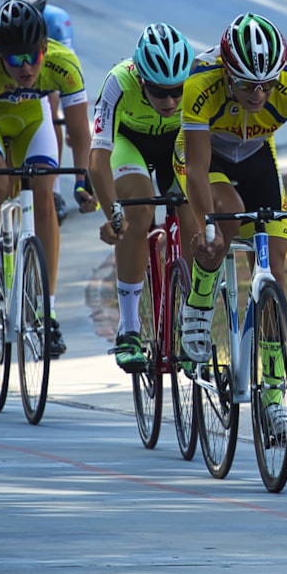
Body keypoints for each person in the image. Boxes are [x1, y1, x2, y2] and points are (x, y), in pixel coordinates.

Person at [176, 12, 287, 434]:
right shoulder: (201, 84)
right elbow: (196, 169)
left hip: (256, 159)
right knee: (227, 216)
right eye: (248, 84)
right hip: (205, 157)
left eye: (266, 84)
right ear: (227, 73)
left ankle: (272, 391)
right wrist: (205, 228)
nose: (258, 93)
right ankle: (198, 305)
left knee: (275, 268)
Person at [0, 0, 96, 356]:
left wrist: (83, 180)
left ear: (45, 49)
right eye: (15, 60)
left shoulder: (64, 64)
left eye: (33, 57)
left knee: (45, 194)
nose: (26, 67)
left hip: (33, 121)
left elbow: (80, 132)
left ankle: (47, 313)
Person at [88, 22, 195, 372]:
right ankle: (130, 329)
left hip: (174, 144)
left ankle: (192, 317)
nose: (171, 100)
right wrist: (112, 215)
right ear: (142, 79)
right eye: (160, 92)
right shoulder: (119, 82)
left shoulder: (197, 79)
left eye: (177, 91)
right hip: (127, 144)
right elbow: (98, 157)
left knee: (193, 210)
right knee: (140, 206)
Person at [0, 0, 78, 224]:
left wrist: (69, 122)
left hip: (39, 78)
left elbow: (65, 78)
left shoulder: (57, 20)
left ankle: (51, 189)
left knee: (50, 102)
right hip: (2, 86)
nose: (30, 14)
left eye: (38, 7)